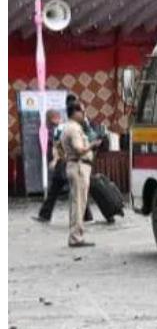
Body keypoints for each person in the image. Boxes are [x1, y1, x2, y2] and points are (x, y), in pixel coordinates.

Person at [32, 96, 96, 225]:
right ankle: (85, 216)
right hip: (75, 161)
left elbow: (58, 145)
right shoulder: (78, 124)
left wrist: (56, 159)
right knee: (76, 190)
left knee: (68, 190)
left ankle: (47, 214)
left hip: (68, 161)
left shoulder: (66, 126)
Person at [61, 102, 96, 247]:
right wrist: (92, 145)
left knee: (76, 203)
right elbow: (79, 149)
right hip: (79, 166)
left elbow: (59, 146)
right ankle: (76, 237)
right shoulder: (74, 129)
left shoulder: (66, 127)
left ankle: (75, 235)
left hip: (74, 165)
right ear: (75, 112)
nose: (84, 114)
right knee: (79, 204)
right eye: (82, 111)